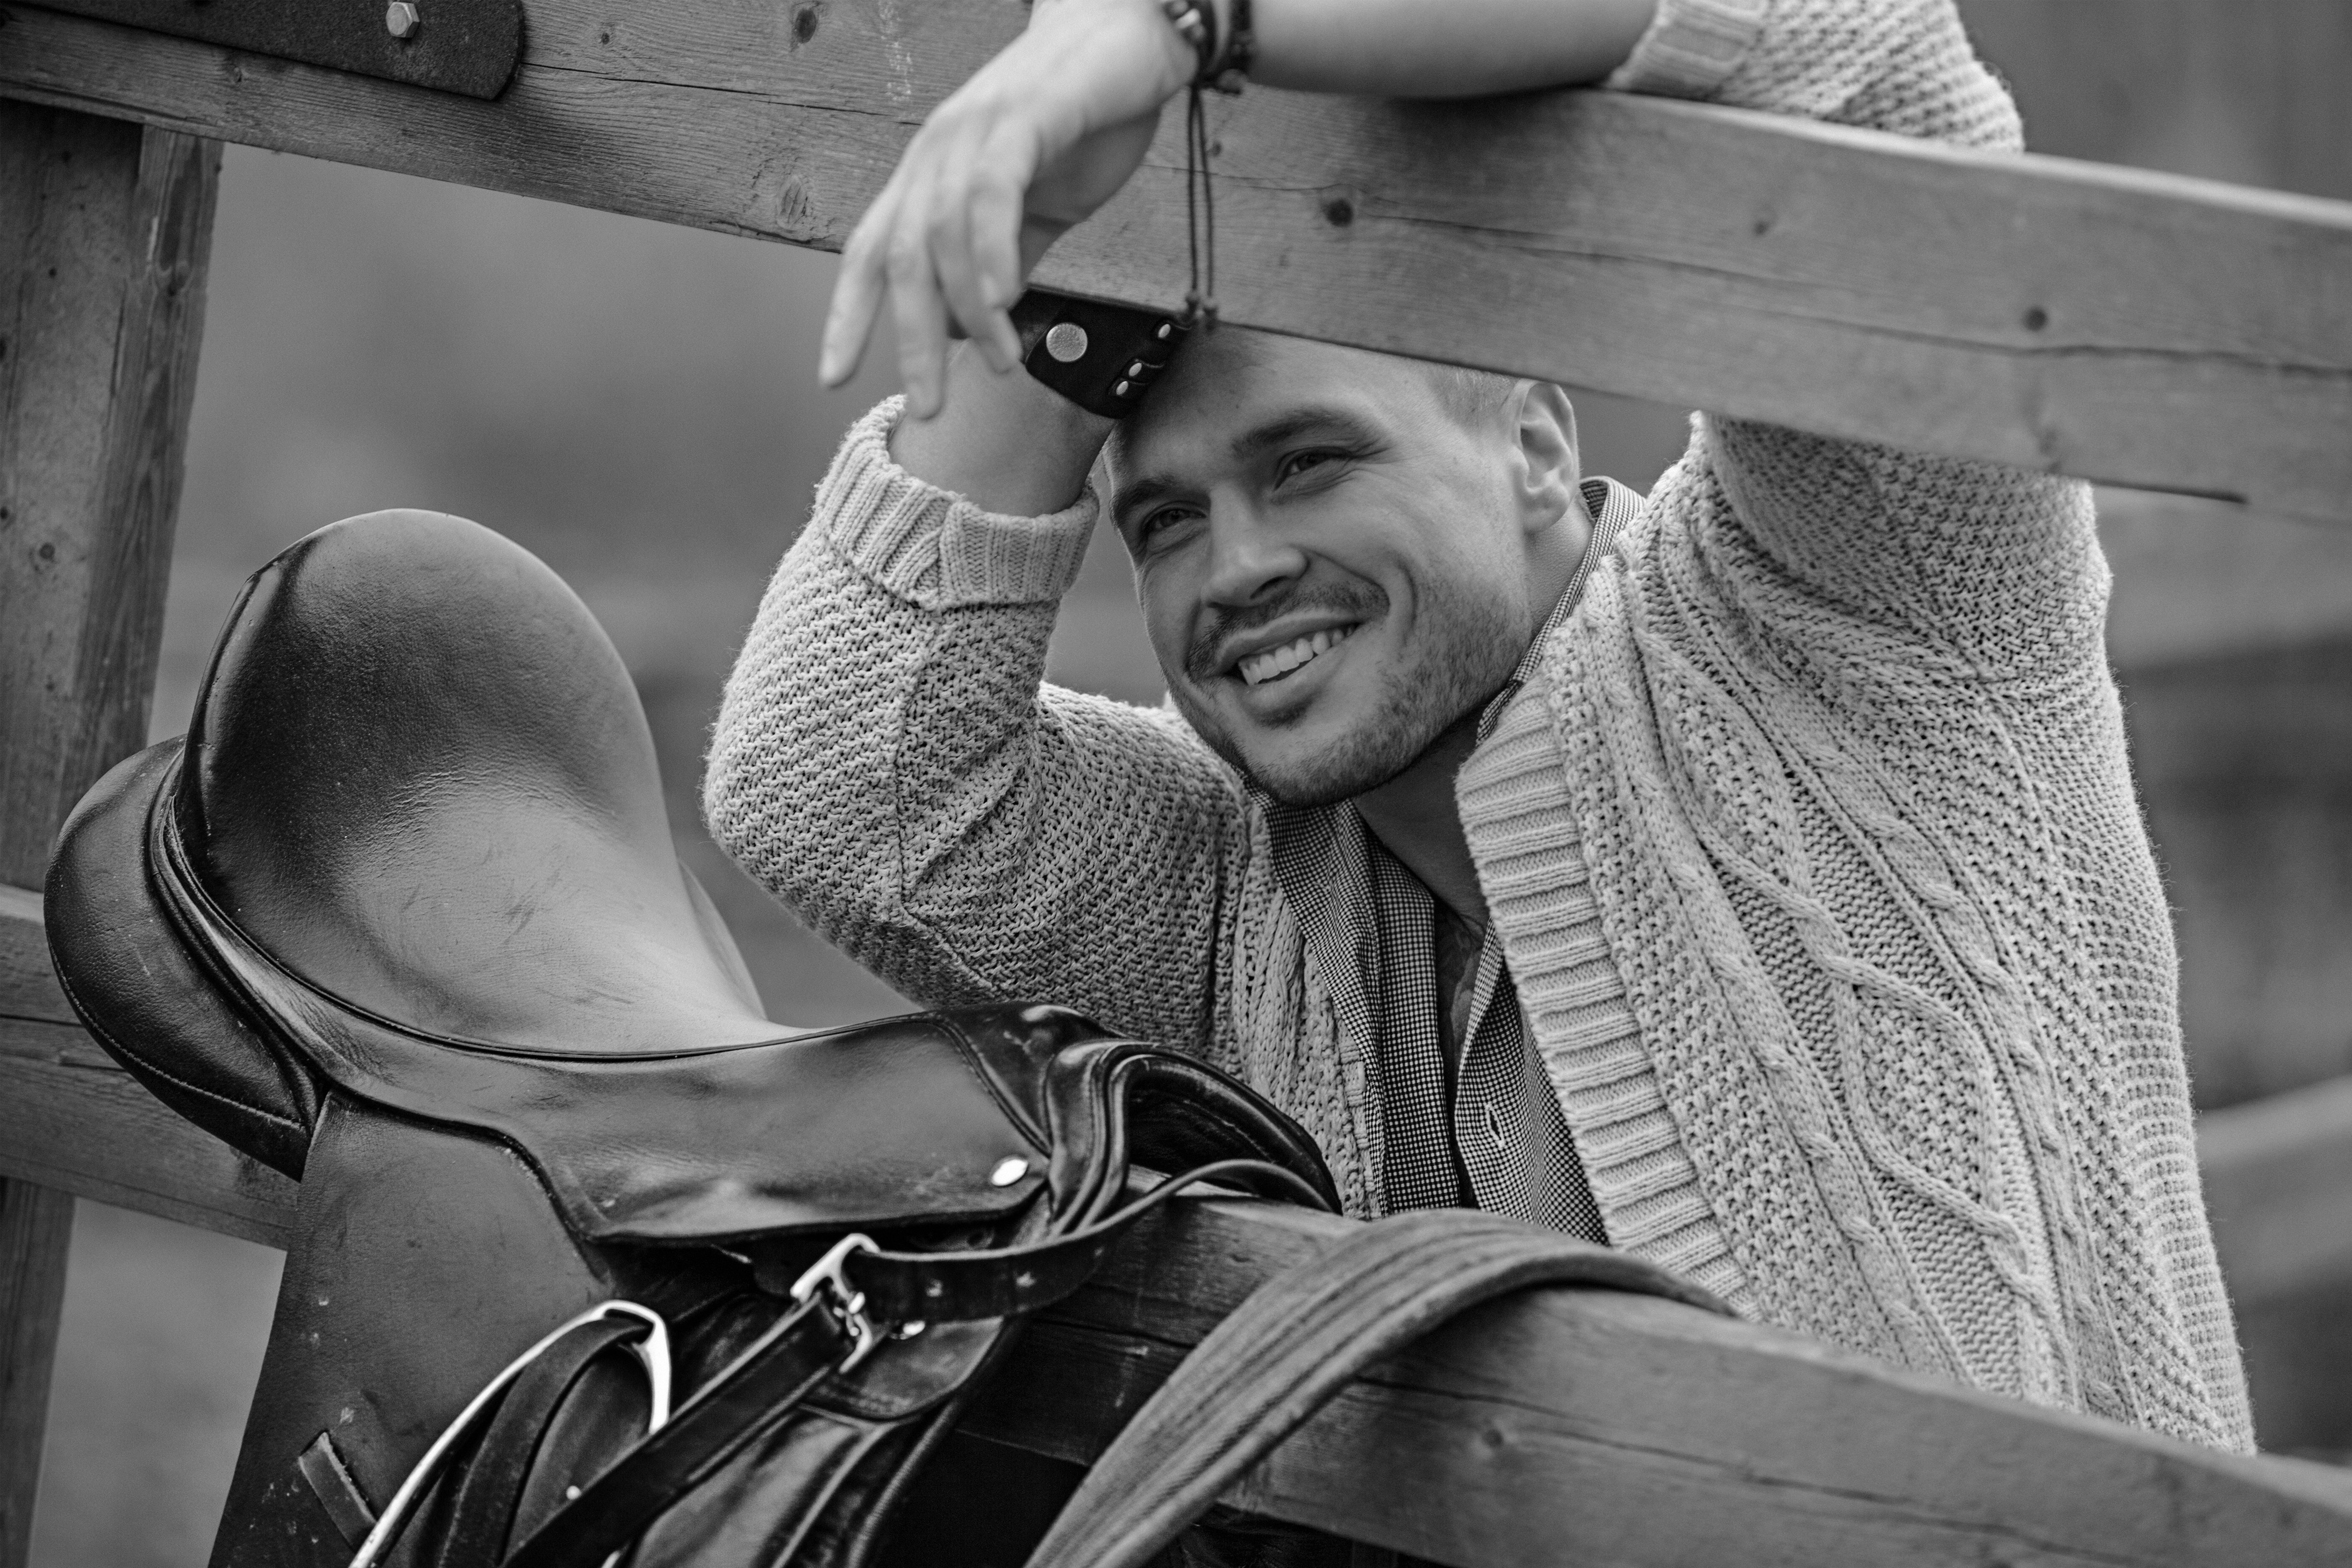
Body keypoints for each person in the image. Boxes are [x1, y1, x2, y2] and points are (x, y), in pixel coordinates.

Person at [705, 0, 2254, 1451]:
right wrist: (1067, 279)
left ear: (1534, 449)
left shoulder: (1846, 617)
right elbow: (835, 787)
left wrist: (1179, 26)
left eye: (1309, 462)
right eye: (1165, 521)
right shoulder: (1240, 886)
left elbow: (1851, 53)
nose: (1236, 569)